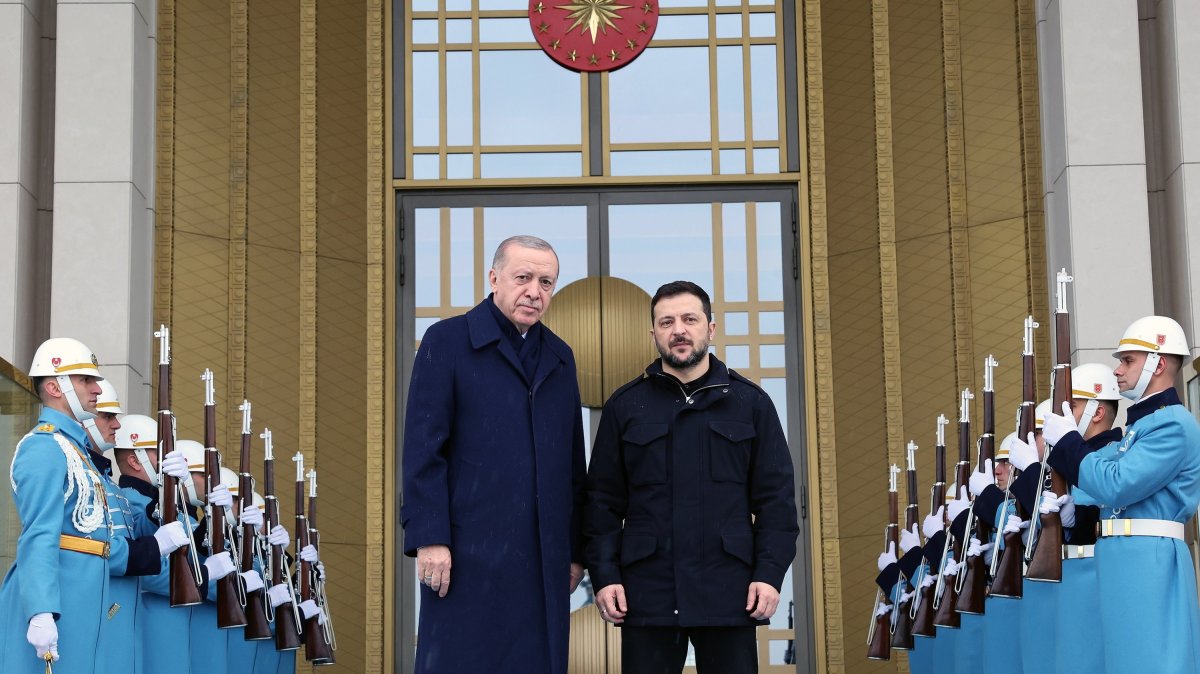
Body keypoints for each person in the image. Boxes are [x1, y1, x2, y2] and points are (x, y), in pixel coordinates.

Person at [585, 281, 799, 674]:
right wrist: (605, 575)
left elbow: (777, 503)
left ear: (710, 328)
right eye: (666, 322)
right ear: (653, 334)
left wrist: (769, 575)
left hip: (729, 590)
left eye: (689, 319)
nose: (678, 330)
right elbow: (602, 502)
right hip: (647, 593)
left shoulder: (750, 404)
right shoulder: (626, 406)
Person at [401, 235, 587, 674]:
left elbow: (572, 466)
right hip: (466, 553)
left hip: (542, 558)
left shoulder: (560, 357)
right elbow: (423, 449)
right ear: (494, 278)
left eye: (546, 282)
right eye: (523, 278)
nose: (534, 291)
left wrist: (575, 551)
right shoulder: (447, 340)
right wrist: (430, 537)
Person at [0, 338, 183, 674]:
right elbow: (39, 534)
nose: (97, 388)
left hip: (90, 601)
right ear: (55, 387)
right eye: (86, 380)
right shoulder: (44, 447)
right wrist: (40, 609)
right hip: (63, 602)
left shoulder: (79, 455)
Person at [1041, 316, 1200, 673]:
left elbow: (1117, 484)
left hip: (1149, 559)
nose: (1117, 370)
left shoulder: (1172, 423)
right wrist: (1076, 513)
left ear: (1159, 363)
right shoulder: (1141, 426)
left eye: (1128, 360)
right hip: (1125, 558)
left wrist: (1067, 442)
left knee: (1151, 662)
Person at [1006, 363, 1122, 673]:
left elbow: (1087, 517)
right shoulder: (1072, 457)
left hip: (1091, 573)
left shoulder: (1110, 453)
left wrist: (1033, 471)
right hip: (1067, 577)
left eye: (1072, 407)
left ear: (1097, 412)